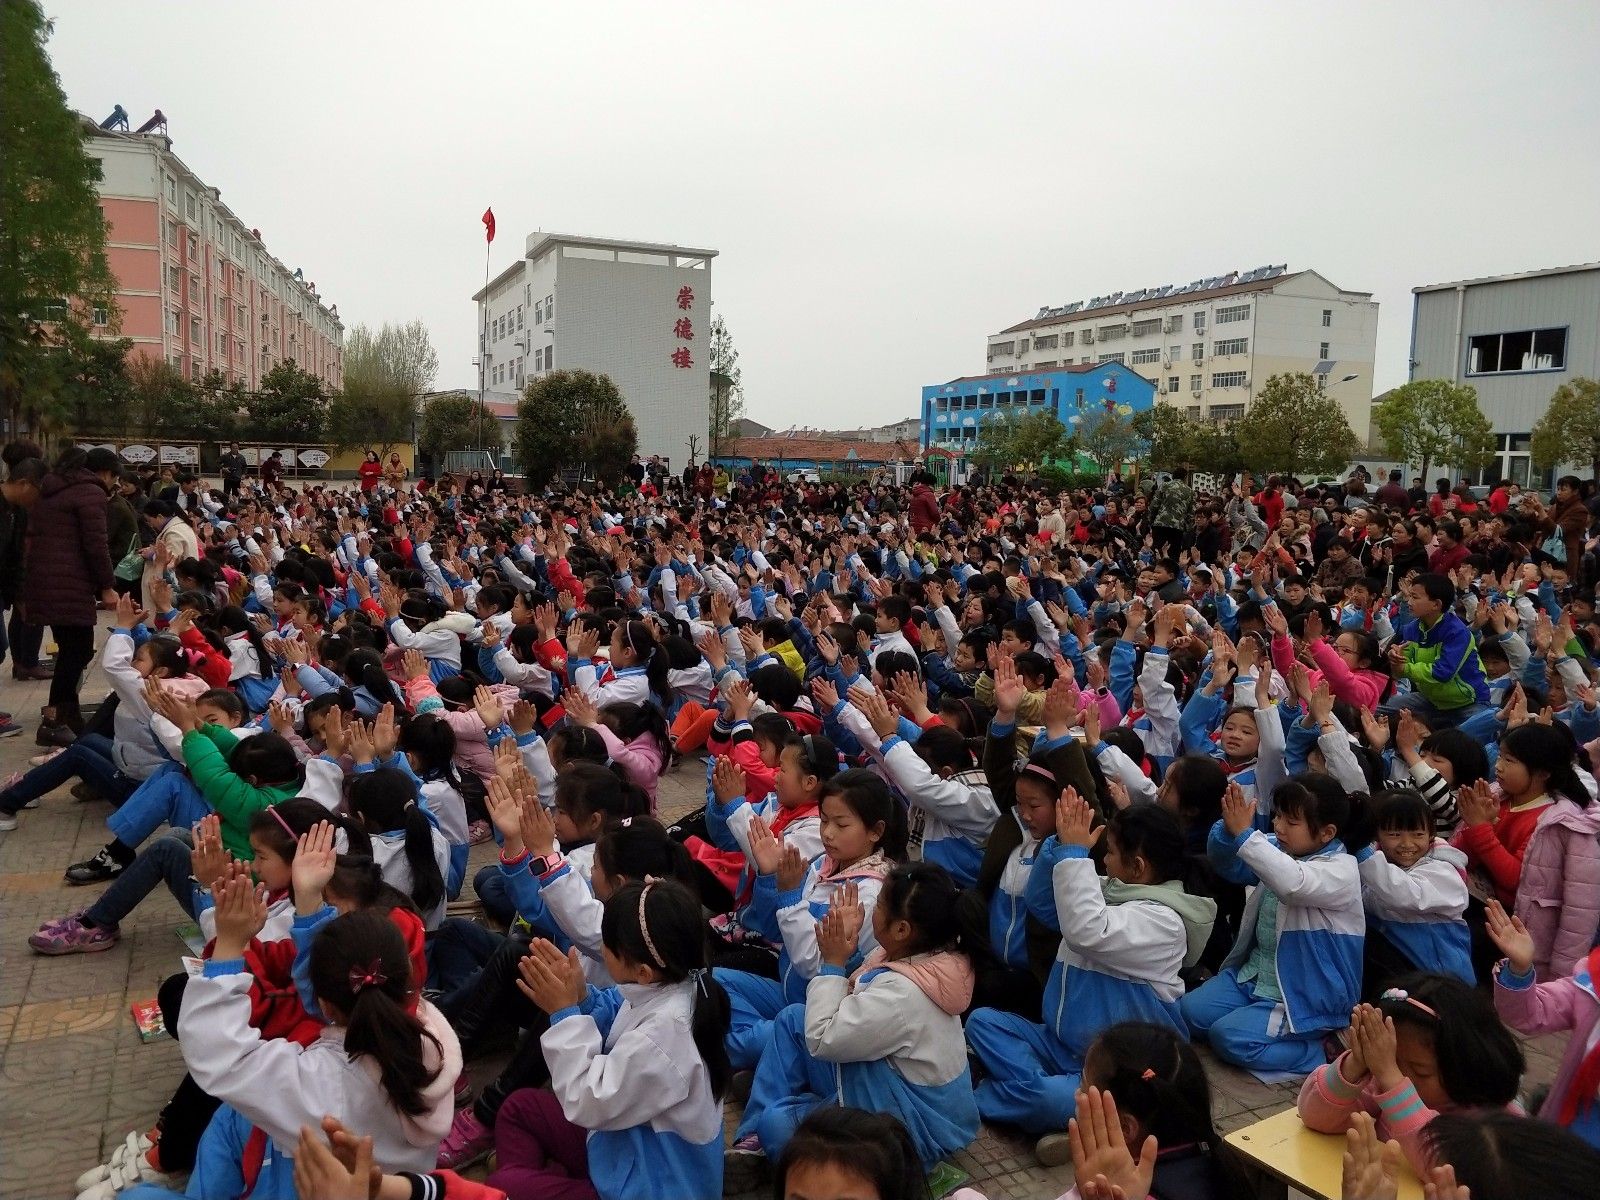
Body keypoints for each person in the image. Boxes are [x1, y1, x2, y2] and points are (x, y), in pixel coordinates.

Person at [965, 793, 1215, 1161]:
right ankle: (1074, 1113)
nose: (1103, 858)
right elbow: (1044, 904)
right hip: (1060, 1043)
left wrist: (1074, 856)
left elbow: (1086, 929)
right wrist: (1057, 847)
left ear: (1137, 866)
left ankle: (1003, 1098)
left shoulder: (1165, 922)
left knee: (1046, 1100)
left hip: (1116, 1071)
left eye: (1110, 852)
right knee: (983, 1022)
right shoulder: (1110, 890)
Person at [727, 862, 979, 1186]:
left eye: (880, 905)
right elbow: (860, 995)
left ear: (901, 929)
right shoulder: (924, 956)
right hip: (883, 1084)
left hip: (912, 1128)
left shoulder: (905, 995)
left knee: (777, 1125)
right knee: (792, 1019)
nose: (872, 909)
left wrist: (833, 962)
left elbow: (821, 1038)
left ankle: (780, 1122)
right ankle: (754, 1141)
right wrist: (847, 949)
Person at [492, 877, 730, 1199]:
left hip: (650, 1187)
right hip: (626, 1151)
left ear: (643, 970)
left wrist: (564, 1015)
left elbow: (586, 1100)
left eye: (608, 943)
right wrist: (581, 998)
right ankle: (540, 1180)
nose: (600, 948)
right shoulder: (674, 984)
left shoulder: (666, 1035)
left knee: (503, 1187)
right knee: (518, 1108)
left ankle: (533, 1182)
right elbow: (621, 1013)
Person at [1179, 777, 1365, 1075]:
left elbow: (1293, 882)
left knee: (1229, 1038)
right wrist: (1229, 832)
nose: (1278, 826)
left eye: (1291, 821)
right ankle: (1252, 1017)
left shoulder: (1342, 871)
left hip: (1299, 991)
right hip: (1254, 976)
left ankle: (1326, 1051)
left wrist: (1244, 835)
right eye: (1277, 815)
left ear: (1327, 833)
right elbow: (1230, 861)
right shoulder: (1277, 848)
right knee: (1189, 1013)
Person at [1297, 973, 1523, 1174]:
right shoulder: (1383, 1084)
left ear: (1466, 1064)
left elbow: (1442, 1167)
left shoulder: (1493, 1121)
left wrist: (1391, 1078)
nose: (1401, 1077)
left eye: (1421, 1071)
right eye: (1392, 1061)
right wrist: (1356, 1064)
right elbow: (1315, 1116)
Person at [1452, 721, 1600, 981]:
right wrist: (1471, 825)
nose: (1498, 766)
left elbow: (1515, 879)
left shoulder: (1556, 822)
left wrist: (1480, 828)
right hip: (1481, 900)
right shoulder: (1500, 796)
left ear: (1542, 773)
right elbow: (1464, 858)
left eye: (1510, 761)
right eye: (1500, 757)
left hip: (1520, 923)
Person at [18, 446, 119, 746]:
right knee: (77, 652)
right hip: (69, 584)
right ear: (106, 472)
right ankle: (55, 720)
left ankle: (67, 716)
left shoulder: (53, 489)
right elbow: (96, 544)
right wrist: (107, 585)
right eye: (115, 477)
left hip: (47, 582)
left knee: (70, 652)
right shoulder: (89, 492)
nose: (114, 484)